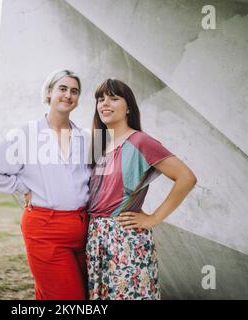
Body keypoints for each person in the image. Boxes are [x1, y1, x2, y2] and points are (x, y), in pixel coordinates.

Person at [0, 69, 91, 300]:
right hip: (46, 230)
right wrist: (21, 187)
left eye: (74, 91)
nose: (68, 95)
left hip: (83, 230)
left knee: (71, 295)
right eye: (62, 89)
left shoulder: (84, 137)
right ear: (49, 92)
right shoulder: (27, 133)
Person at [86, 78, 197, 300]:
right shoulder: (100, 145)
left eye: (114, 98)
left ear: (128, 107)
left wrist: (153, 218)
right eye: (101, 99)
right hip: (95, 238)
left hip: (125, 238)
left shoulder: (141, 141)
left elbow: (186, 177)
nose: (105, 103)